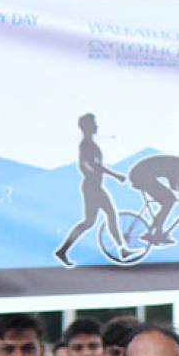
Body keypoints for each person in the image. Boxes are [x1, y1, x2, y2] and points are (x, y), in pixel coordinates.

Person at [54, 113, 131, 268]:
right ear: (87, 127)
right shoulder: (86, 145)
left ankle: (122, 249)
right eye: (93, 124)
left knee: (105, 216)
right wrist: (115, 175)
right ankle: (63, 251)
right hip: (92, 187)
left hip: (95, 186)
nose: (97, 126)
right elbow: (93, 165)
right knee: (92, 221)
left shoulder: (89, 144)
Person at [127, 149, 179, 246]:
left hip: (140, 174)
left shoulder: (178, 165)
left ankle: (154, 232)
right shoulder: (177, 166)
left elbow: (177, 187)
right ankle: (156, 233)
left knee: (168, 200)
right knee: (169, 200)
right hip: (141, 175)